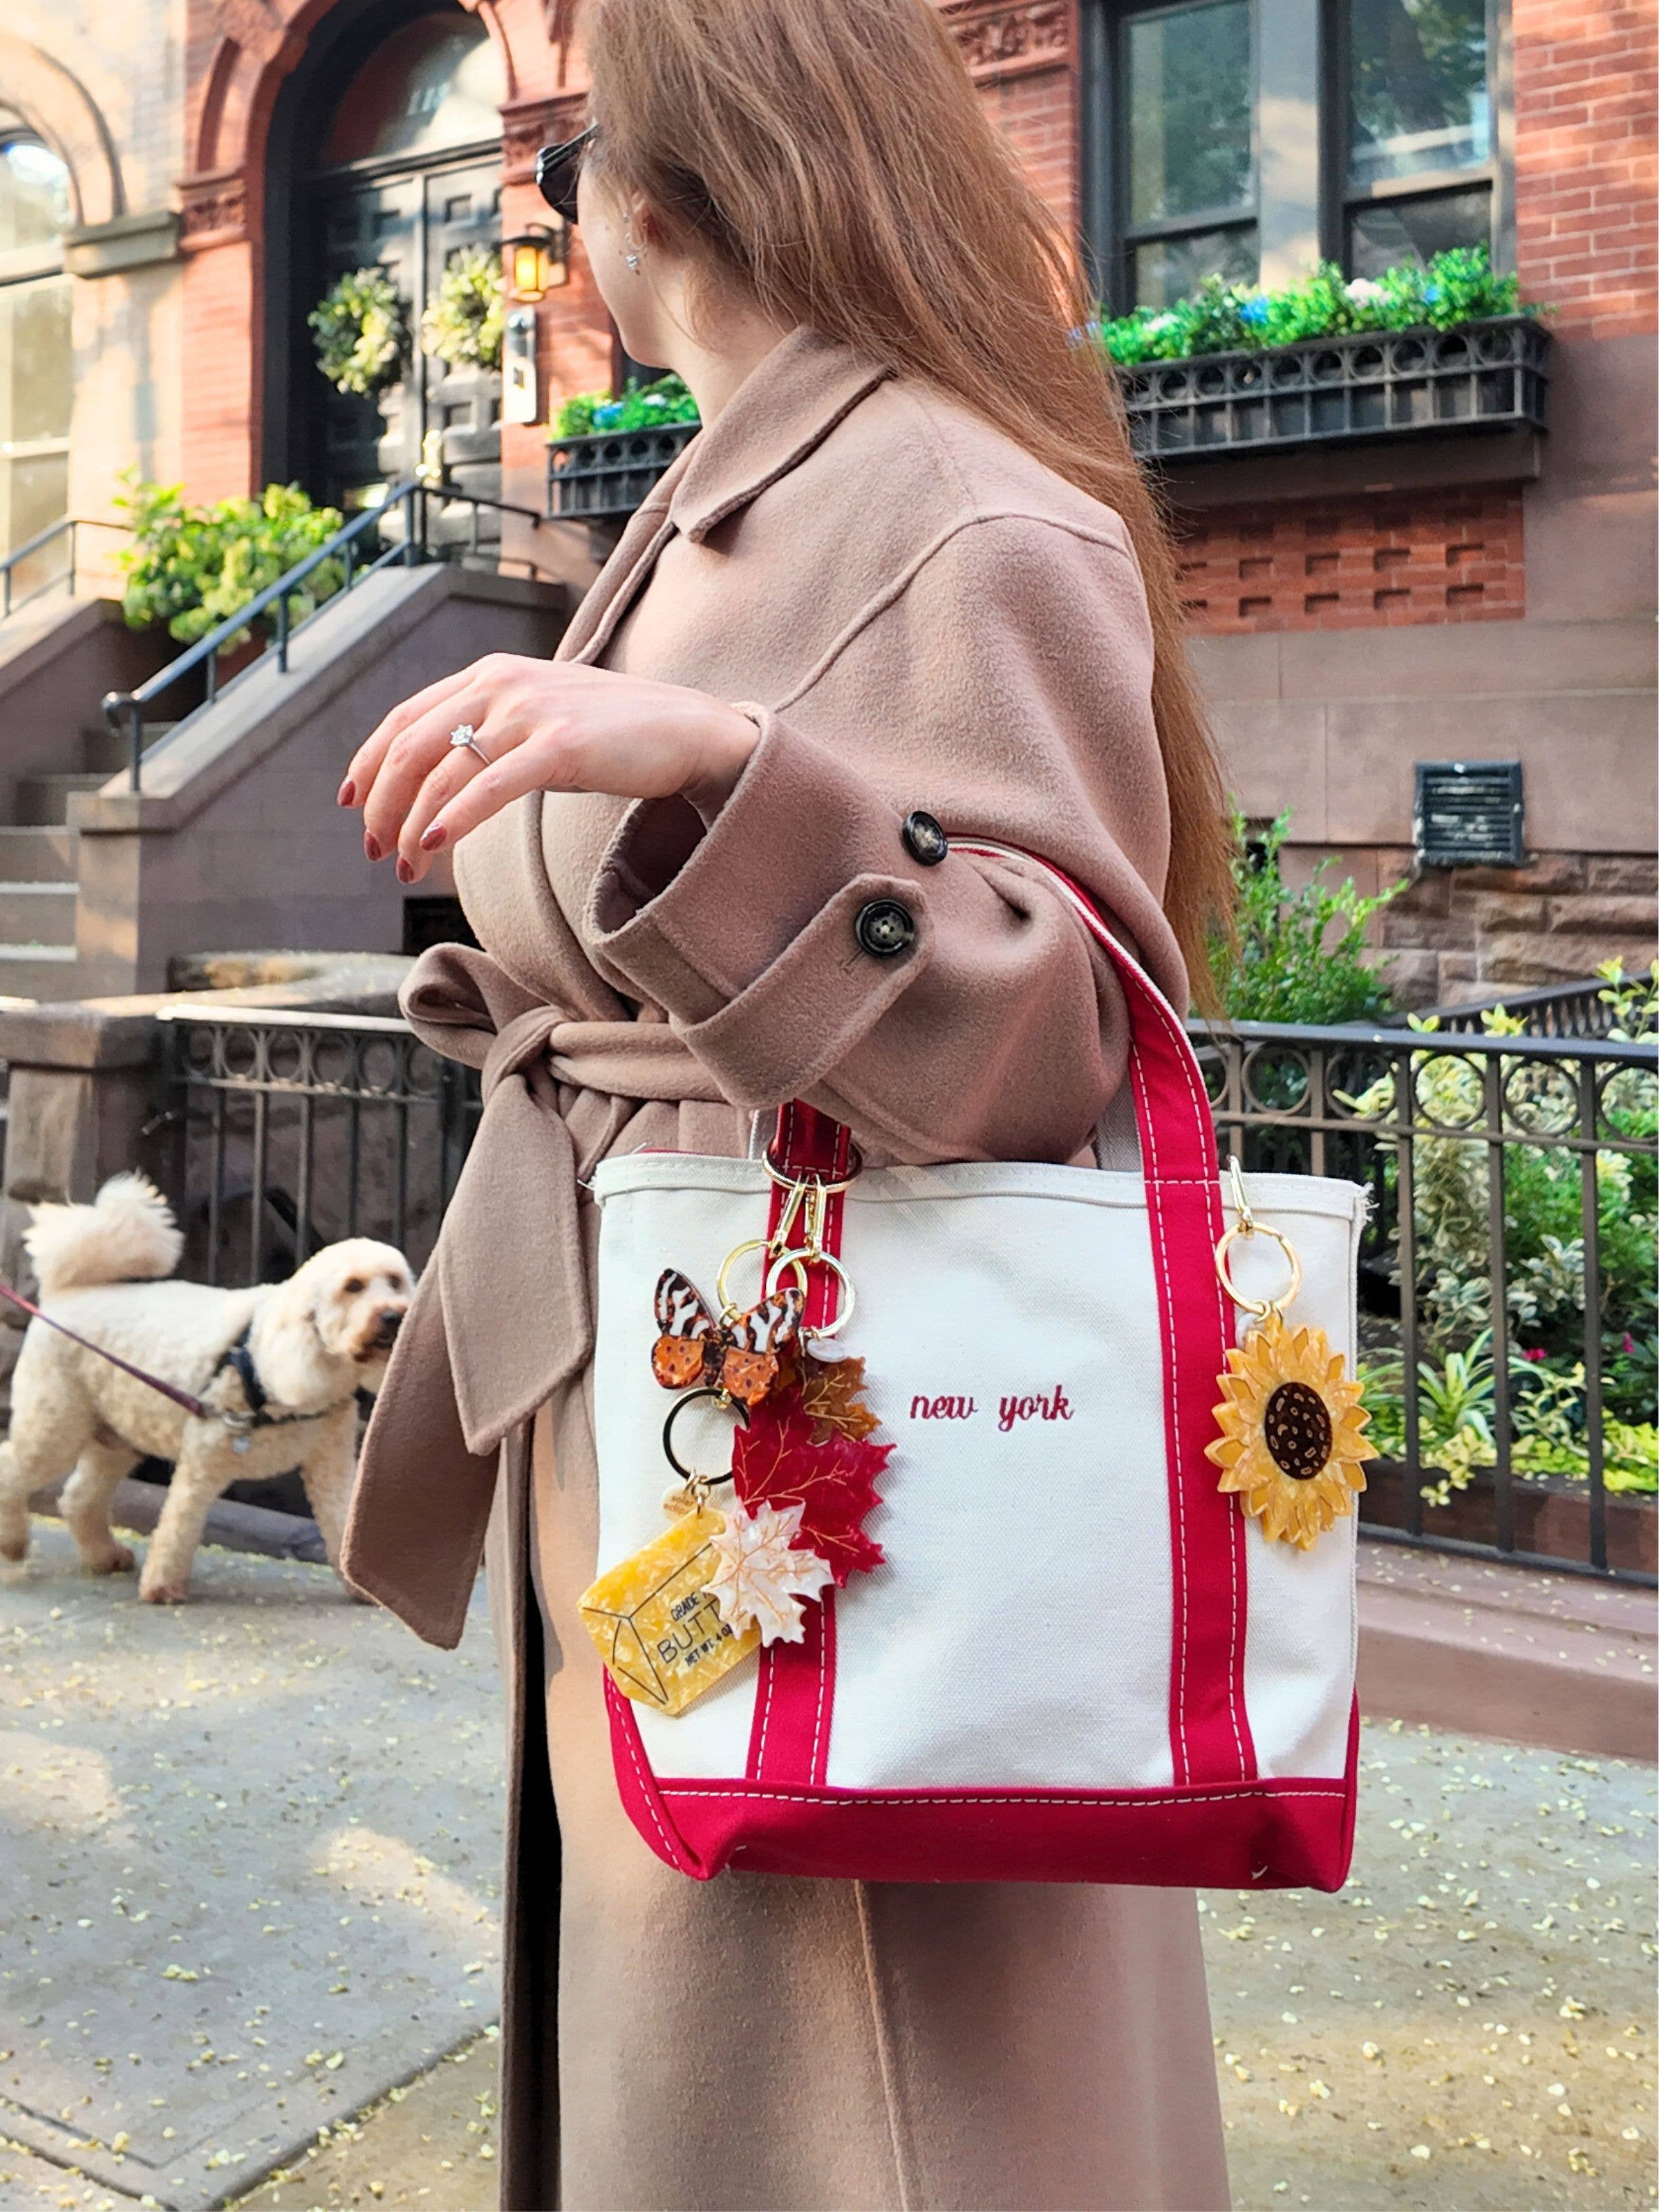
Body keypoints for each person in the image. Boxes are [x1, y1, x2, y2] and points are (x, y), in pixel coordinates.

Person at [339, 0, 1235, 2203]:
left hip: (842, 1407)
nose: (557, 238)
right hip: (686, 1382)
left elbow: (1063, 1038)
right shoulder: (746, 486)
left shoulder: (948, 498)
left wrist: (729, 780)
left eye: (560, 183)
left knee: (878, 2083)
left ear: (659, 188)